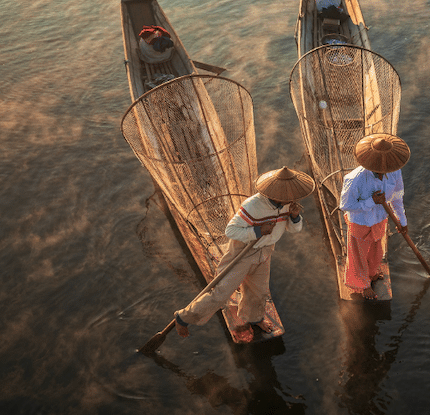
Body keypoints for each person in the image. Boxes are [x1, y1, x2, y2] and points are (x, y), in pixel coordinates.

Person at [174, 166, 315, 343]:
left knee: (259, 291)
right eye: (287, 194)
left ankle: (254, 318)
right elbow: (230, 231)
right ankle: (184, 318)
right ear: (275, 193)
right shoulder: (253, 206)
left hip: (265, 252)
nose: (291, 197)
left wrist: (295, 216)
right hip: (242, 252)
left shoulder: (288, 205)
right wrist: (257, 231)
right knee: (222, 292)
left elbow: (295, 230)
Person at [339, 133, 410, 300]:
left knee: (377, 251)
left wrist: (402, 221)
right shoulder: (355, 179)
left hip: (380, 219)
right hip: (360, 222)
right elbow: (345, 206)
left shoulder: (395, 172)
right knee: (358, 255)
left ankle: (371, 273)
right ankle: (361, 285)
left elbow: (398, 198)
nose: (384, 171)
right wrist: (371, 201)